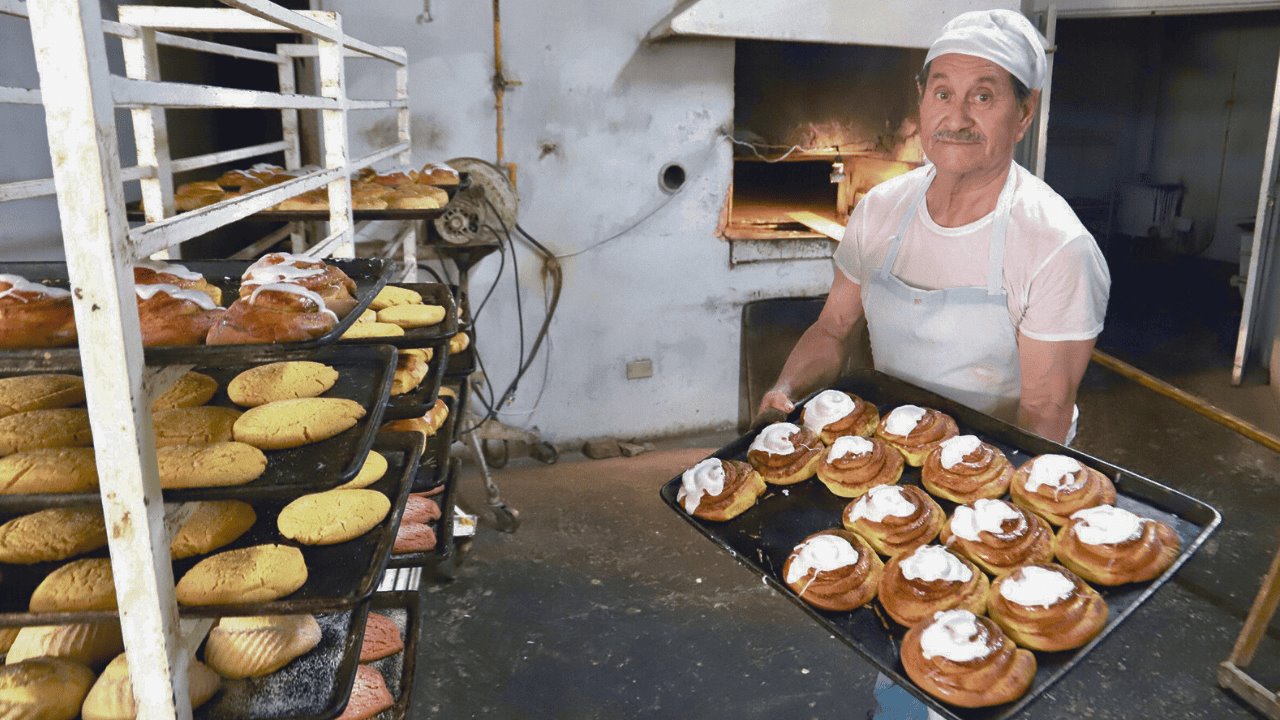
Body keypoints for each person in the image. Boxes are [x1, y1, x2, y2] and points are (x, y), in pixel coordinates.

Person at [758, 9, 1110, 446]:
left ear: (1024, 112)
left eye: (983, 97)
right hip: (890, 446)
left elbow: (1044, 412)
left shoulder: (1056, 247)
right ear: (922, 99)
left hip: (995, 468)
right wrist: (784, 389)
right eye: (943, 94)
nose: (957, 119)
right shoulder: (879, 210)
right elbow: (832, 329)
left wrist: (977, 492)